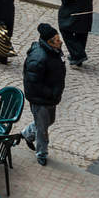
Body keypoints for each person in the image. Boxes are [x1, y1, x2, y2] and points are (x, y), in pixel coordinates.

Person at [21, 22, 65, 166]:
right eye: (57, 40)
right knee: (43, 129)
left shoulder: (55, 52)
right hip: (41, 99)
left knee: (48, 122)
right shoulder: (39, 58)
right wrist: (50, 93)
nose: (60, 42)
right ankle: (42, 153)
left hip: (51, 97)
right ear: (49, 42)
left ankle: (27, 133)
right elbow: (32, 83)